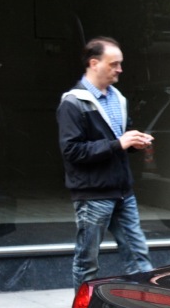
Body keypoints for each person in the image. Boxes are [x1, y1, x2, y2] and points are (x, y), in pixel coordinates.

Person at [58, 36, 154, 289]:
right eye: (114, 64)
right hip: (93, 195)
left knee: (138, 255)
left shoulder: (118, 99)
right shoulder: (73, 102)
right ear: (94, 63)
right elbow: (72, 151)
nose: (120, 69)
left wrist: (134, 142)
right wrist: (118, 144)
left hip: (123, 191)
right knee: (87, 262)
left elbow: (119, 140)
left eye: (120, 64)